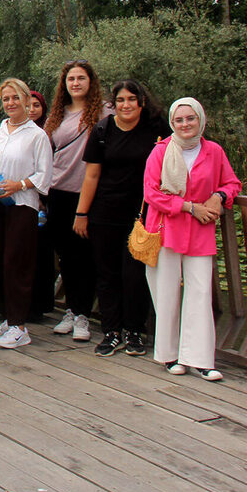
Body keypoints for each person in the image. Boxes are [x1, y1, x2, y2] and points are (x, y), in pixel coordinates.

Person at [142, 97, 240, 381]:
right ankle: (170, 355)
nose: (185, 124)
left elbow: (231, 183)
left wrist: (219, 196)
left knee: (199, 292)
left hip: (200, 230)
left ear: (200, 119)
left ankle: (199, 358)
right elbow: (152, 193)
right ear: (172, 123)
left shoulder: (214, 151)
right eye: (179, 120)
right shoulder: (160, 151)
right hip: (166, 227)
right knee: (166, 291)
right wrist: (189, 206)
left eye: (190, 118)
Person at [75, 80, 169, 357]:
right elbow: (91, 175)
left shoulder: (156, 128)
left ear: (141, 102)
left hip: (142, 214)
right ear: (113, 103)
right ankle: (111, 332)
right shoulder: (103, 130)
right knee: (107, 274)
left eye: (131, 99)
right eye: (120, 100)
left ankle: (134, 331)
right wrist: (81, 213)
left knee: (135, 274)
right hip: (105, 212)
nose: (126, 105)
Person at [0, 78, 53, 350]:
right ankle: (9, 319)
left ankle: (20, 326)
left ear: (26, 100)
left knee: (16, 263)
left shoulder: (37, 136)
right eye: (6, 98)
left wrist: (19, 185)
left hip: (22, 206)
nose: (11, 103)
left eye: (15, 98)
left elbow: (45, 175)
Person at [42, 60, 107, 342]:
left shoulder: (105, 111)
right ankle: (70, 309)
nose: (76, 83)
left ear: (90, 81)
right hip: (58, 191)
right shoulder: (57, 114)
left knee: (86, 255)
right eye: (71, 79)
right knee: (66, 255)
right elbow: (45, 149)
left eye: (81, 78)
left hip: (89, 193)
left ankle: (83, 315)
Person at [26, 89, 55, 318]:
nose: (32, 110)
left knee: (43, 256)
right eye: (29, 105)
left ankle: (41, 305)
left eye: (37, 105)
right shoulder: (8, 131)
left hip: (45, 199)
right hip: (20, 200)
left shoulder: (50, 132)